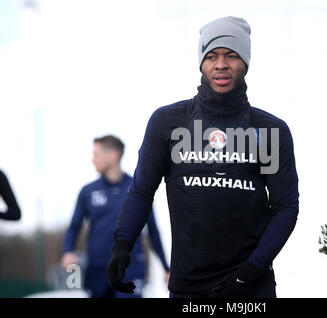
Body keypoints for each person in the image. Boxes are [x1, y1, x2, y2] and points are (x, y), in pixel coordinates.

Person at [107, 16, 299, 298]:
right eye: (211, 56)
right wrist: (122, 245)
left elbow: (286, 207)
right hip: (189, 288)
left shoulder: (270, 130)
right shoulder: (168, 122)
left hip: (251, 286)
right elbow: (141, 192)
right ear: (201, 62)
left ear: (245, 61)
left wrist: (250, 272)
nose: (221, 64)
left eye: (231, 55)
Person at [62, 135, 170, 298]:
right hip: (97, 271)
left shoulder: (138, 190)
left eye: (96, 154)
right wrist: (68, 251)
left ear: (113, 156)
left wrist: (165, 267)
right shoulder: (87, 192)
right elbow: (73, 227)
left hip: (130, 270)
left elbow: (153, 231)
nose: (93, 160)